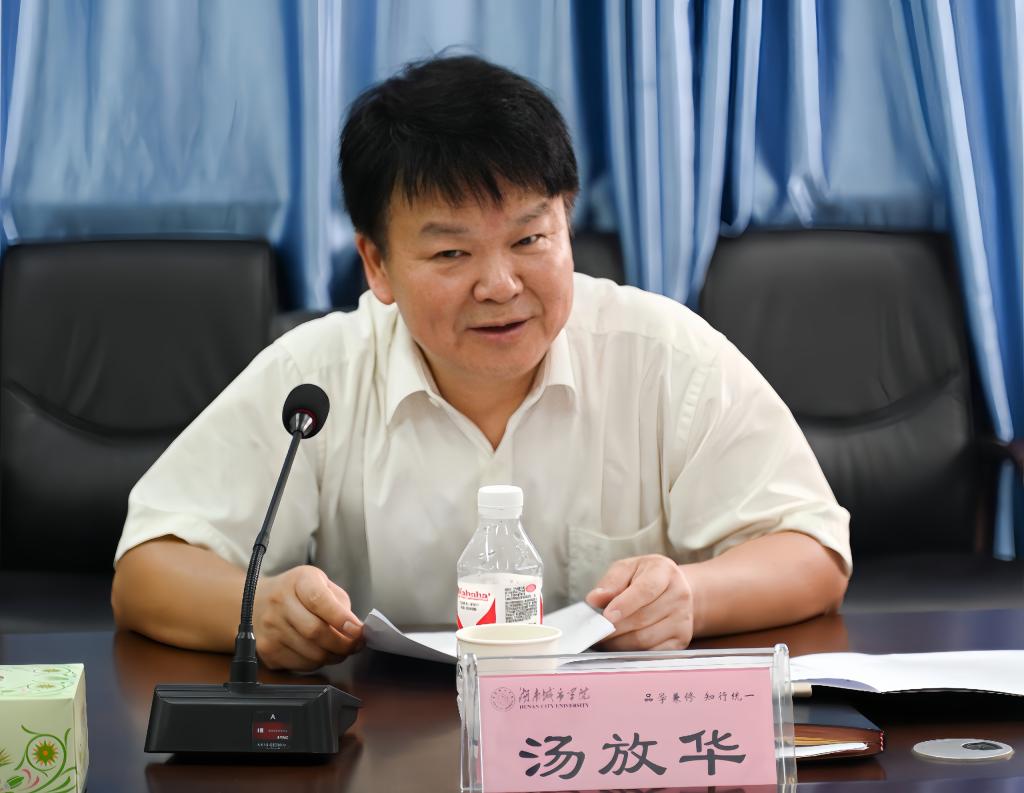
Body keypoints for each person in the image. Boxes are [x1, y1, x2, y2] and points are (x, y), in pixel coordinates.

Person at [111, 55, 851, 672]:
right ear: (377, 263)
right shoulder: (318, 376)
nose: (500, 285)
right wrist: (257, 609)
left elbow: (812, 551)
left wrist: (691, 595)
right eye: (451, 252)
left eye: (530, 239)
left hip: (608, 747)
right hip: (393, 745)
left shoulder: (662, 355)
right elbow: (146, 569)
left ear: (567, 222)